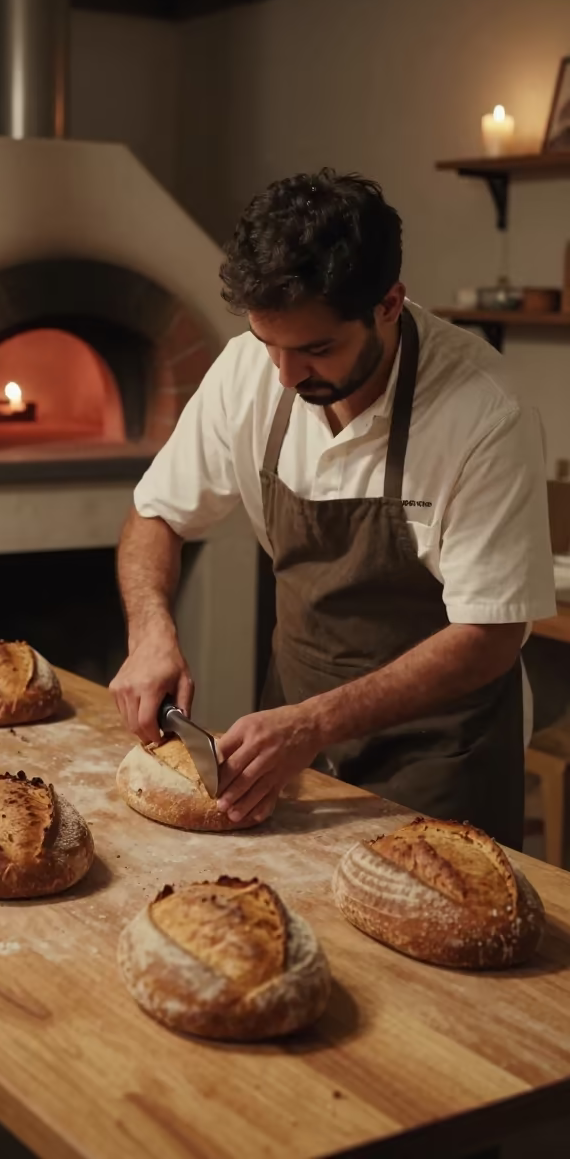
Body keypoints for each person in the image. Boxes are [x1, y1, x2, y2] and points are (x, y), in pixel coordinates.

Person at [110, 169, 555, 848]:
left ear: (389, 303)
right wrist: (149, 632)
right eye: (270, 345)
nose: (286, 375)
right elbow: (157, 515)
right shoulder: (246, 373)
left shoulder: (485, 413)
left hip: (441, 756)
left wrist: (314, 722)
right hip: (294, 735)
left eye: (316, 349)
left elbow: (491, 634)